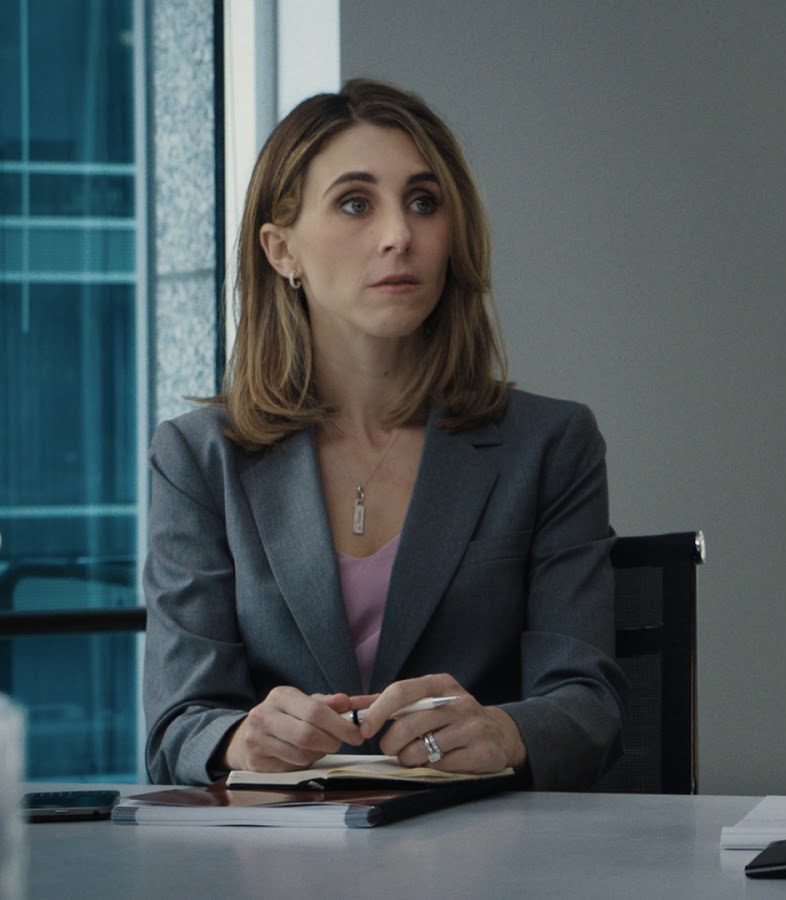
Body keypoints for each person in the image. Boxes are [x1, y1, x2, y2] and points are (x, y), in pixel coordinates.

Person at [143, 80, 626, 788]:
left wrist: (504, 731)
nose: (400, 235)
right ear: (281, 250)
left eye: (424, 202)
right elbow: (177, 726)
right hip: (279, 843)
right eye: (355, 203)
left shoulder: (552, 444)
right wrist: (242, 740)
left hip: (484, 838)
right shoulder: (197, 457)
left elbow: (590, 706)